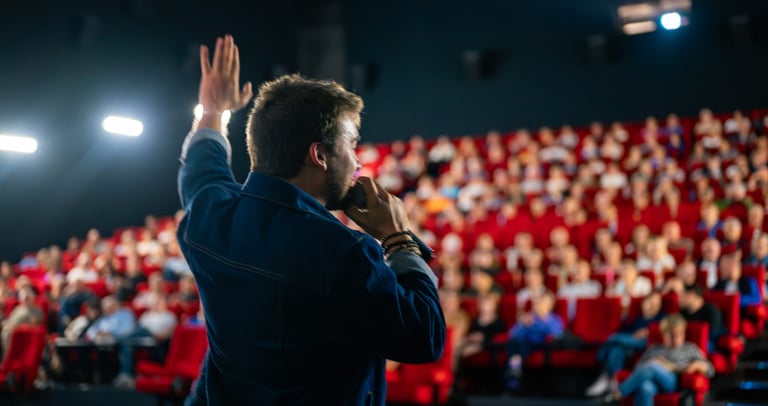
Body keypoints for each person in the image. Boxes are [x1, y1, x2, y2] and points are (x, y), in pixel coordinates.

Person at [177, 35, 445, 405]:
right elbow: (424, 336)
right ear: (319, 155)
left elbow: (202, 169)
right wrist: (398, 239)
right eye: (351, 145)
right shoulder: (344, 253)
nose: (357, 162)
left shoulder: (209, 216)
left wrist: (211, 111)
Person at [604, 314, 714, 406]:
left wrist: (698, 365)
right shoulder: (655, 348)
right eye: (671, 335)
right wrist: (656, 366)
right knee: (645, 387)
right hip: (653, 382)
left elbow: (711, 370)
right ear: (663, 334)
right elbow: (638, 369)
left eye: (679, 335)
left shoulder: (690, 348)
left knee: (653, 365)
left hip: (674, 382)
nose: (676, 339)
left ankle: (618, 394)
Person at [584, 292, 665, 397]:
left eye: (657, 304)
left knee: (616, 338)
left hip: (645, 343)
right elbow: (625, 332)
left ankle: (603, 357)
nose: (653, 306)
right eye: (651, 302)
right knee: (617, 349)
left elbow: (663, 331)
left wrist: (648, 331)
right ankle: (613, 379)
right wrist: (631, 336)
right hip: (628, 346)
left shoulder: (660, 318)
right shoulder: (636, 320)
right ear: (643, 303)